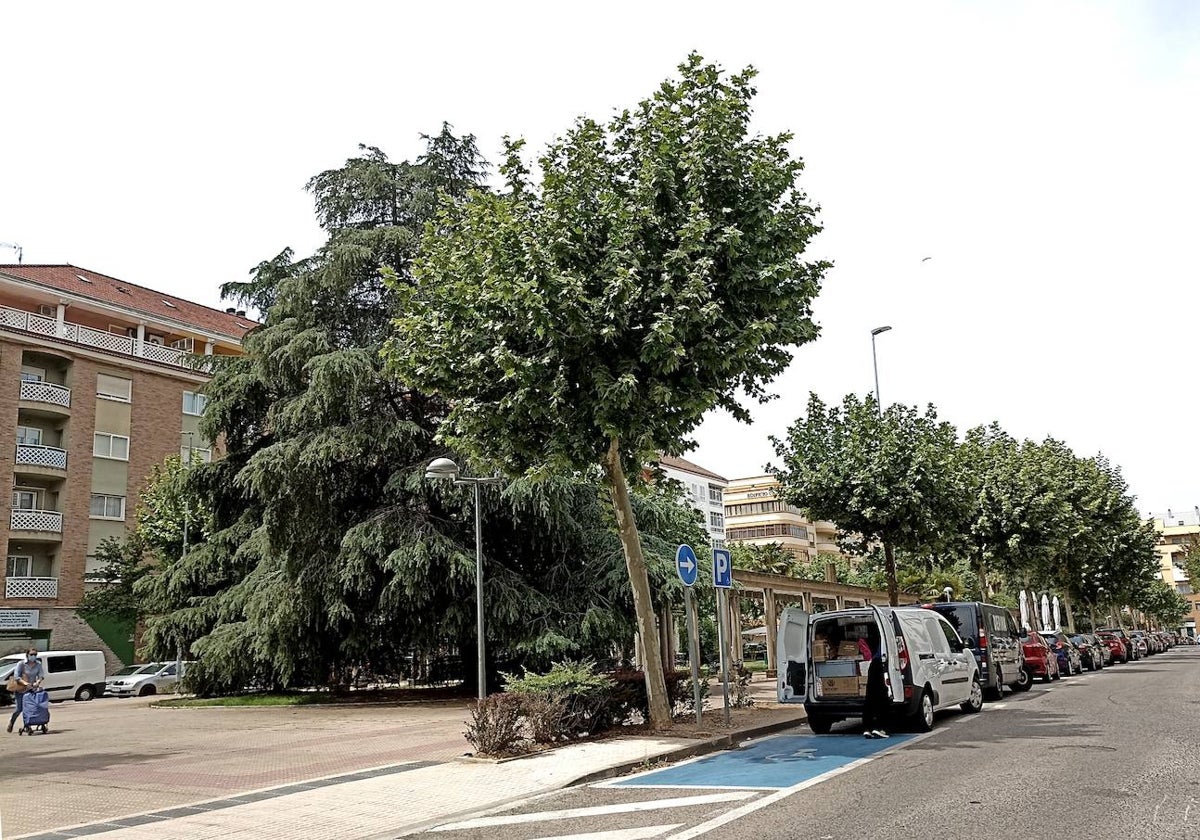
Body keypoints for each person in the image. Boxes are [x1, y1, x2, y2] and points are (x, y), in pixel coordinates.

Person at [7, 649, 44, 733]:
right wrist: (25, 683)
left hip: (32, 690)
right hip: (21, 690)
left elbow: (41, 675)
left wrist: (37, 682)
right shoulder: (21, 664)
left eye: (35, 654)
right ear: (27, 655)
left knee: (29, 708)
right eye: (31, 654)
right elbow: (17, 677)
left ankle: (27, 725)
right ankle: (11, 722)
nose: (33, 656)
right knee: (19, 709)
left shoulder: (38, 664)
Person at [861, 626, 889, 739]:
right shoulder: (885, 636)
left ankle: (867, 728)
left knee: (870, 697)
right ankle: (881, 728)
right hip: (881, 664)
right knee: (882, 697)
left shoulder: (867, 638)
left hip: (872, 665)